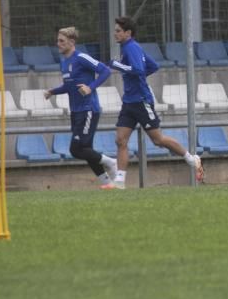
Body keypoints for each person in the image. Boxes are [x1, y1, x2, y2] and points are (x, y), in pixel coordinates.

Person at [110, 16, 204, 188]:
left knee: (158, 140)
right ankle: (119, 181)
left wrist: (118, 66)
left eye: (118, 31)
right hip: (129, 102)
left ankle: (191, 158)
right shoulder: (129, 48)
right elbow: (153, 66)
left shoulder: (132, 48)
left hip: (141, 101)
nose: (114, 33)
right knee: (120, 140)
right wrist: (136, 79)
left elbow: (138, 69)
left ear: (128, 33)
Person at [44, 27, 117, 188]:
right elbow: (69, 86)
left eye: (61, 41)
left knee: (76, 149)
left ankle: (111, 162)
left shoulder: (82, 57)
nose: (58, 44)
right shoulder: (64, 62)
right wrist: (52, 92)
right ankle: (108, 184)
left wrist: (91, 87)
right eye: (57, 40)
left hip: (88, 109)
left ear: (72, 42)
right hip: (76, 111)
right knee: (86, 149)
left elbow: (105, 71)